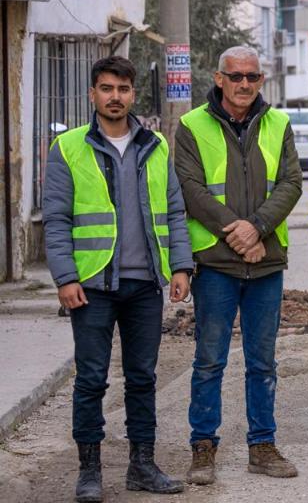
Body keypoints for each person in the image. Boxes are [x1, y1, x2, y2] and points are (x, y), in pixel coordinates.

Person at [43, 56, 193, 500]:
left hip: (145, 283)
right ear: (92, 94)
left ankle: (142, 466)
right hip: (91, 286)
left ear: (133, 94)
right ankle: (89, 471)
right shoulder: (69, 147)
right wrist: (65, 277)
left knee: (143, 377)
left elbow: (175, 212)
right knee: (91, 378)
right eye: (106, 89)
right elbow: (56, 219)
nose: (115, 97)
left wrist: (180, 266)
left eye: (123, 89)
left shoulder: (157, 146)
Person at [174, 45, 303, 484]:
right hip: (217, 264)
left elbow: (290, 183)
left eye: (252, 76)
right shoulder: (191, 125)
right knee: (209, 360)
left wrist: (259, 229)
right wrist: (240, 232)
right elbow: (191, 189)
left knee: (263, 362)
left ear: (261, 81)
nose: (244, 84)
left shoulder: (279, 123)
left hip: (265, 263)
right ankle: (202, 447)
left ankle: (262, 446)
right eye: (236, 76)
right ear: (219, 78)